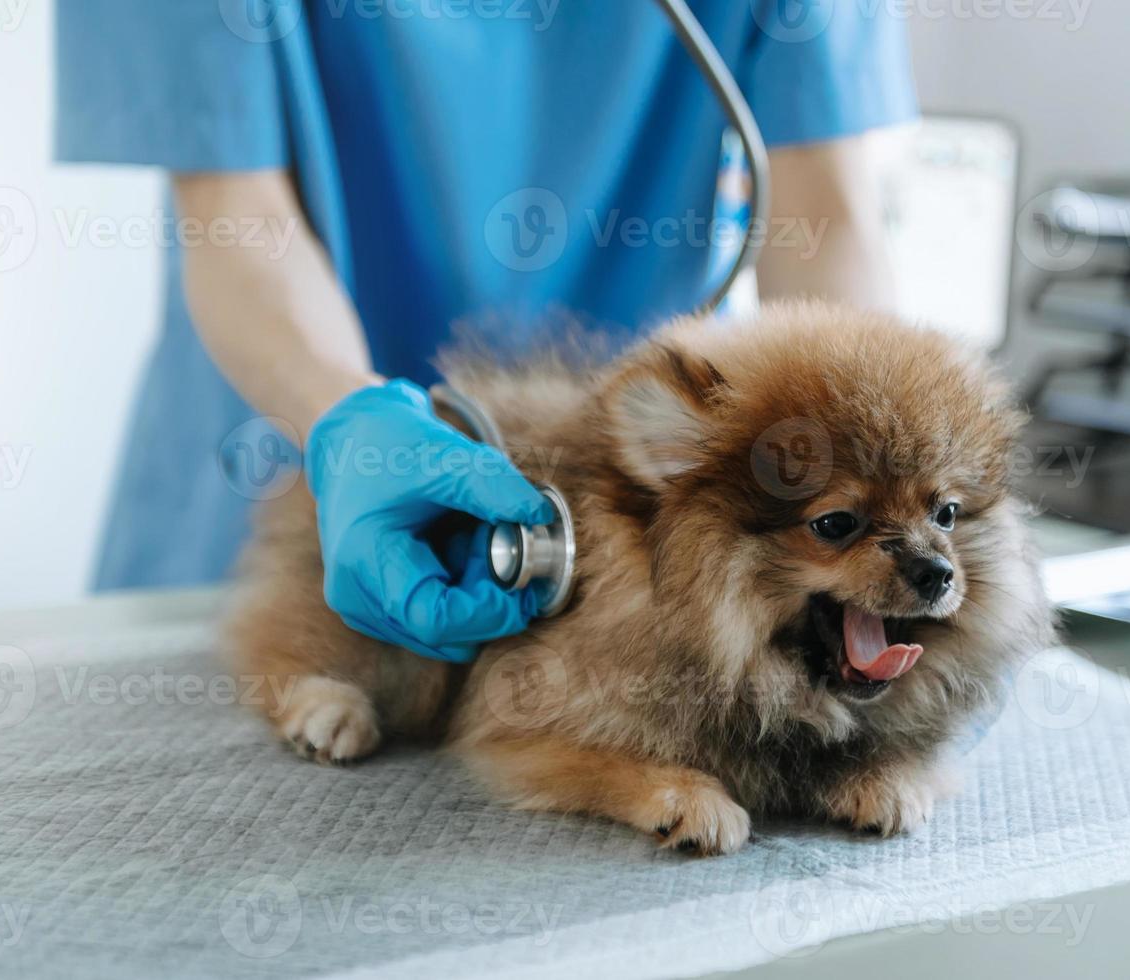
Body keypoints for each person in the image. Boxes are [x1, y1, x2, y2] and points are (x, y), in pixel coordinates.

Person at [55, 0, 917, 662]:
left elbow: (825, 215)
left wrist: (879, 469)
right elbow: (233, 214)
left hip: (638, 517)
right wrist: (348, 425)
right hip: (287, 460)